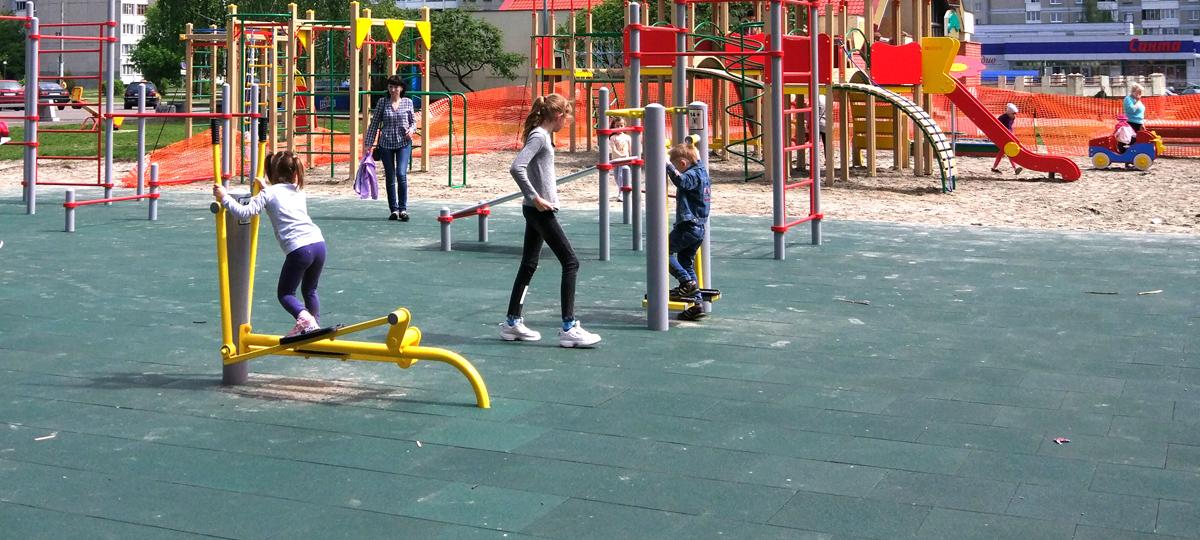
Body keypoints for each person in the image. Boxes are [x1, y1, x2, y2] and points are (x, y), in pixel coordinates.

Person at [499, 93, 602, 348]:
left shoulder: (543, 136)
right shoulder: (539, 136)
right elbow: (516, 167)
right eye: (566, 116)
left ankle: (512, 322)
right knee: (571, 262)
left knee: (529, 265)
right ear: (558, 115)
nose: (567, 121)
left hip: (536, 210)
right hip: (539, 211)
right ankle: (569, 327)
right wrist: (534, 197)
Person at [213, 151, 326, 337]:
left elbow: (244, 212)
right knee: (310, 289)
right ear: (294, 172)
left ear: (271, 173)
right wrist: (265, 187)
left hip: (299, 249)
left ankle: (306, 320)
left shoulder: (268, 193)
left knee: (285, 294)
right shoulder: (298, 190)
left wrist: (224, 197)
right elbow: (281, 197)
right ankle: (314, 327)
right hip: (318, 244)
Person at [665, 139, 712, 322]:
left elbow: (681, 181)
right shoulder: (702, 170)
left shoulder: (691, 175)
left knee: (661, 252)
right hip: (699, 228)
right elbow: (695, 158)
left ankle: (687, 282)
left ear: (683, 164)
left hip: (688, 226)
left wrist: (668, 165)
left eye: (678, 166)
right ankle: (696, 304)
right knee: (685, 262)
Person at [364, 75, 418, 222]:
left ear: (401, 88)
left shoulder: (408, 102)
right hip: (386, 143)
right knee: (390, 176)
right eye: (390, 87)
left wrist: (412, 129)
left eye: (396, 87)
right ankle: (394, 210)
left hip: (403, 143)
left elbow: (413, 122)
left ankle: (403, 209)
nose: (393, 90)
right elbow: (374, 124)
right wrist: (368, 144)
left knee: (401, 173)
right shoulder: (382, 102)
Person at [992, 102, 1023, 175]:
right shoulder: (1003, 117)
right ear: (1009, 113)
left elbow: (1010, 128)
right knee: (1008, 151)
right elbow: (996, 125)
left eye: (1015, 114)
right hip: (1003, 137)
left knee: (1003, 152)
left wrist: (1011, 135)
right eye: (1013, 114)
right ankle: (1015, 168)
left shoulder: (1012, 117)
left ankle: (994, 168)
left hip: (1008, 136)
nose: (1014, 115)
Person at [609, 116, 631, 202]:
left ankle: (621, 193)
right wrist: (620, 155)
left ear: (624, 126)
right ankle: (623, 189)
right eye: (617, 126)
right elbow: (613, 149)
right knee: (616, 177)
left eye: (621, 125)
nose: (619, 127)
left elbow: (630, 148)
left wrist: (630, 157)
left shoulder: (627, 137)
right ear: (614, 126)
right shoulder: (613, 137)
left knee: (621, 175)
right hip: (616, 159)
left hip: (625, 159)